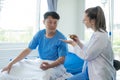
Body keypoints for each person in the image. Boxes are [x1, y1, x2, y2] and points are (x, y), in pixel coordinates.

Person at [1, 11, 71, 79]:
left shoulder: (61, 38)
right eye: (50, 22)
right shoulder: (40, 34)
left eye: (55, 23)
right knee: (17, 66)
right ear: (44, 22)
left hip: (55, 65)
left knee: (44, 75)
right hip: (40, 62)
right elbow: (28, 50)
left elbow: (62, 59)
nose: (53, 25)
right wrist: (11, 64)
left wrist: (49, 66)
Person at [62, 6, 116, 80]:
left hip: (100, 75)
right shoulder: (97, 34)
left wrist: (73, 45)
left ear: (93, 21)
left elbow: (86, 56)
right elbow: (90, 51)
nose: (83, 21)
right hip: (89, 72)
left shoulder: (100, 36)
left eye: (85, 19)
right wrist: (78, 42)